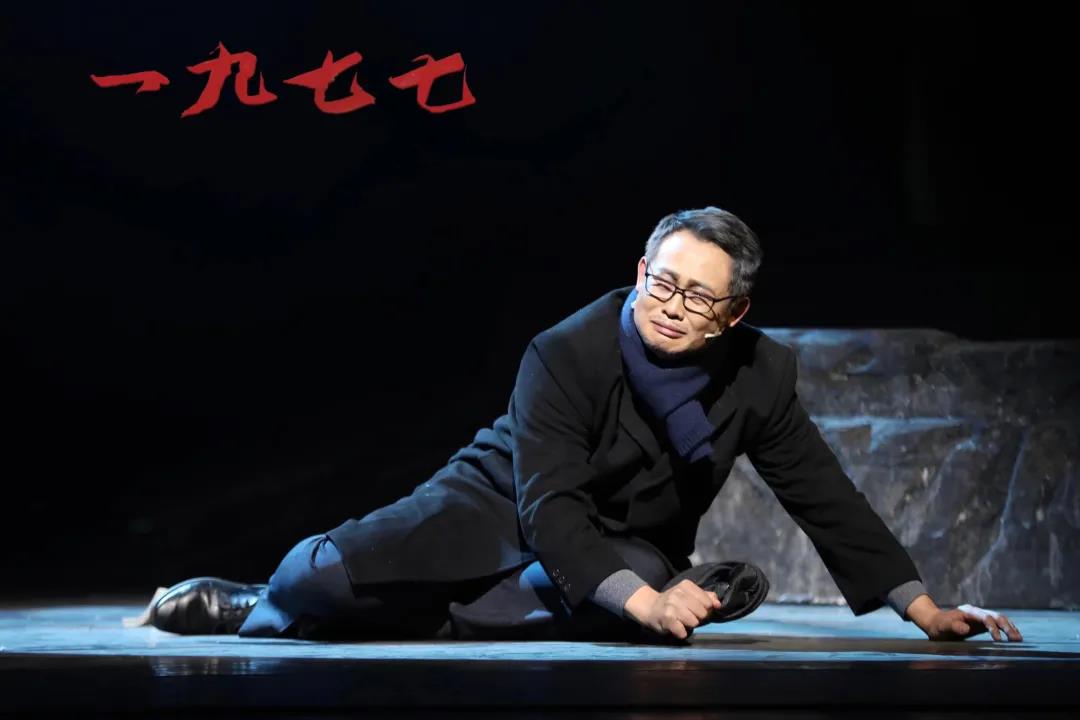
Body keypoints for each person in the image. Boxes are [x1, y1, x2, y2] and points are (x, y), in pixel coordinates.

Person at [145, 206, 1023, 643]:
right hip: (498, 500)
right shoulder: (566, 351)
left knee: (620, 588)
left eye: (698, 298)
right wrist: (646, 601)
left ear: (735, 313)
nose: (671, 306)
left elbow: (822, 494)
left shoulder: (761, 374)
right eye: (662, 283)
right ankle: (257, 599)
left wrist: (922, 608)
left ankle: (609, 599)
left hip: (625, 539)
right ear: (641, 272)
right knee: (323, 584)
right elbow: (550, 503)